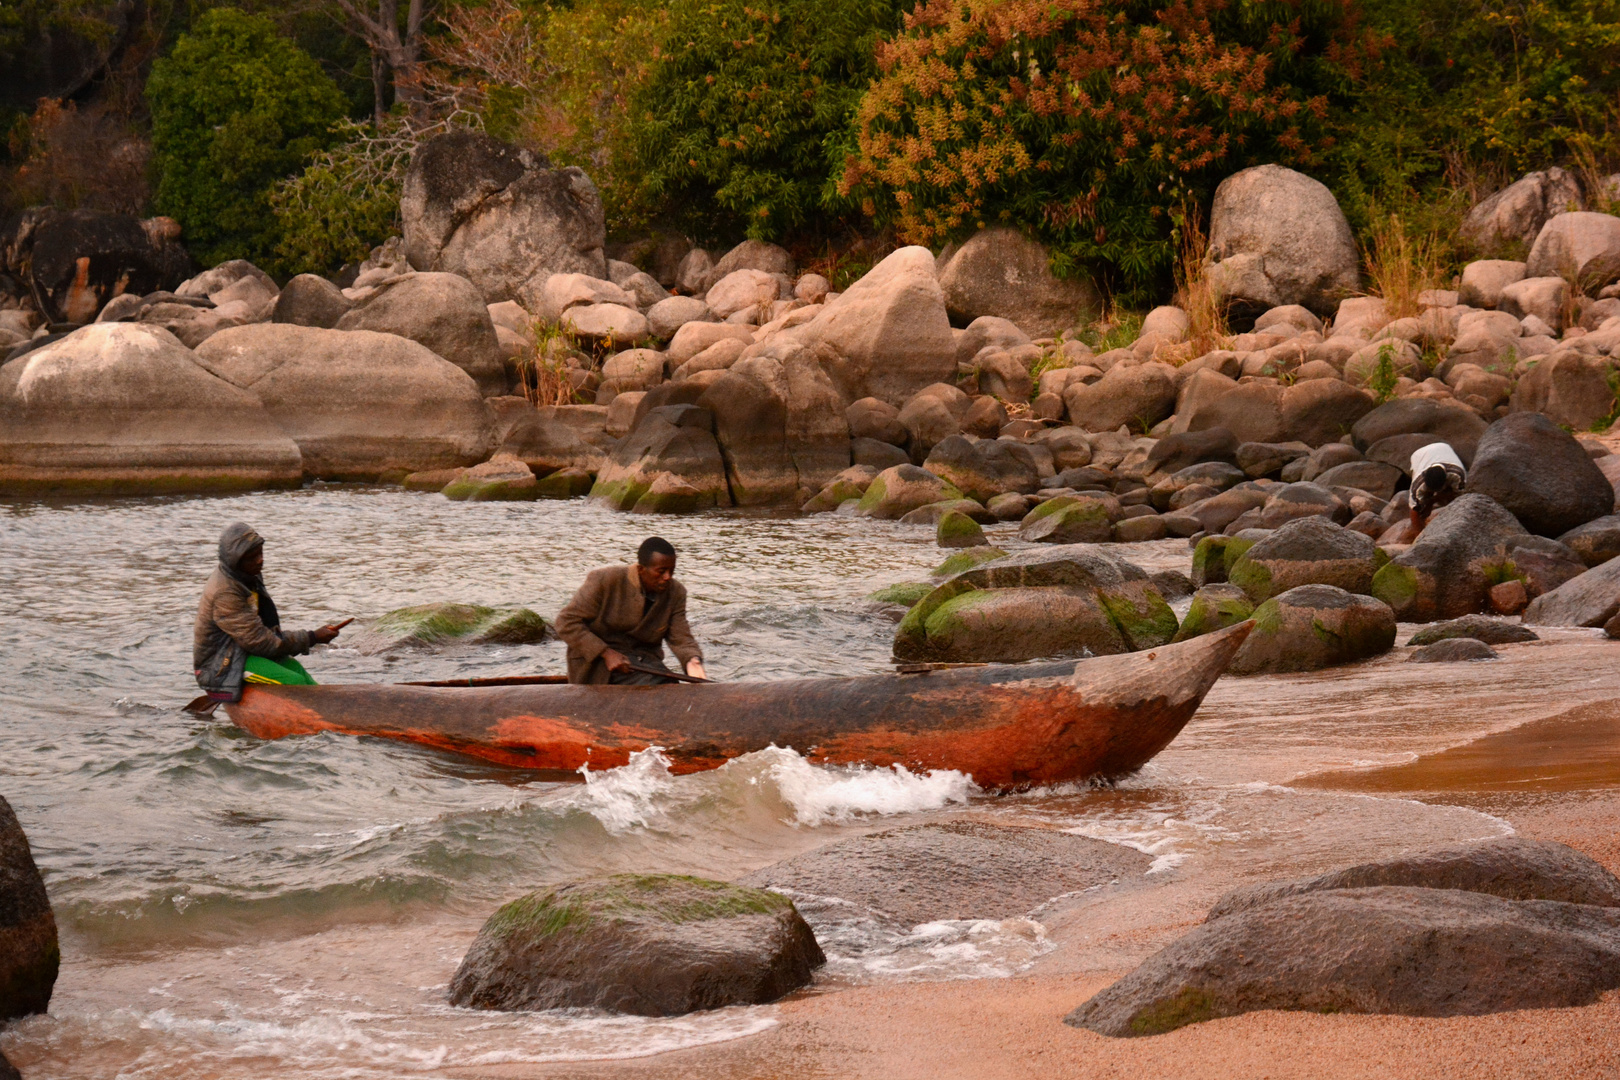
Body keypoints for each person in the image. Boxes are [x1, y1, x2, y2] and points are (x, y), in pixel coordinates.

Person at [193, 523, 344, 703]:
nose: (260, 560)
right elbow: (260, 642)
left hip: (243, 649)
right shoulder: (225, 592)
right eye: (252, 557)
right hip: (221, 665)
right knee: (293, 681)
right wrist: (312, 637)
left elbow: (263, 631)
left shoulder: (249, 574)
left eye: (260, 553)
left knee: (298, 671)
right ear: (236, 562)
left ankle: (331, 709)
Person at [555, 537, 707, 685]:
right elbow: (566, 622)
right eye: (661, 571)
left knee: (669, 685)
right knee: (656, 686)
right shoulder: (605, 580)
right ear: (641, 569)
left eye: (671, 571)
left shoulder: (676, 592)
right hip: (598, 665)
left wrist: (693, 661)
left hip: (645, 664)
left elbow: (681, 637)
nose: (667, 577)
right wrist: (606, 653)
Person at [1408, 442, 1467, 531]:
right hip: (1419, 455)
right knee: (1421, 508)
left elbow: (1462, 498)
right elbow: (1414, 510)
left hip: (1444, 448)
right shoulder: (1418, 485)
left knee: (1455, 499)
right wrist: (1419, 536)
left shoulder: (1457, 475)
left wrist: (1436, 499)